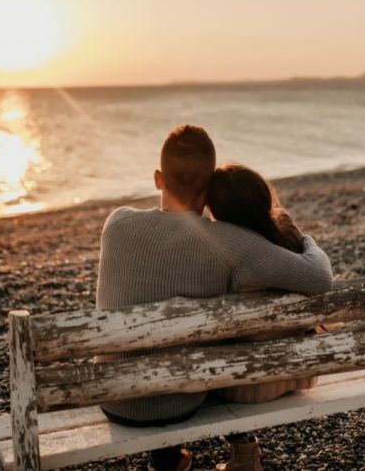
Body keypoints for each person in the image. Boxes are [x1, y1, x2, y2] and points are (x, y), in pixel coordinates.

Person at [96, 125, 333, 471]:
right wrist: (307, 239)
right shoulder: (228, 243)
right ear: (210, 188)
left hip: (113, 398)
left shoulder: (116, 224)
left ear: (158, 179)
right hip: (180, 402)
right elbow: (319, 276)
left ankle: (169, 460)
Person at [206, 163, 330, 471]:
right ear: (263, 199)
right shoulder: (285, 241)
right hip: (299, 373)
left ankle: (244, 455)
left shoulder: (223, 251)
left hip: (245, 388)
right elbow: (322, 274)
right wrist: (306, 240)